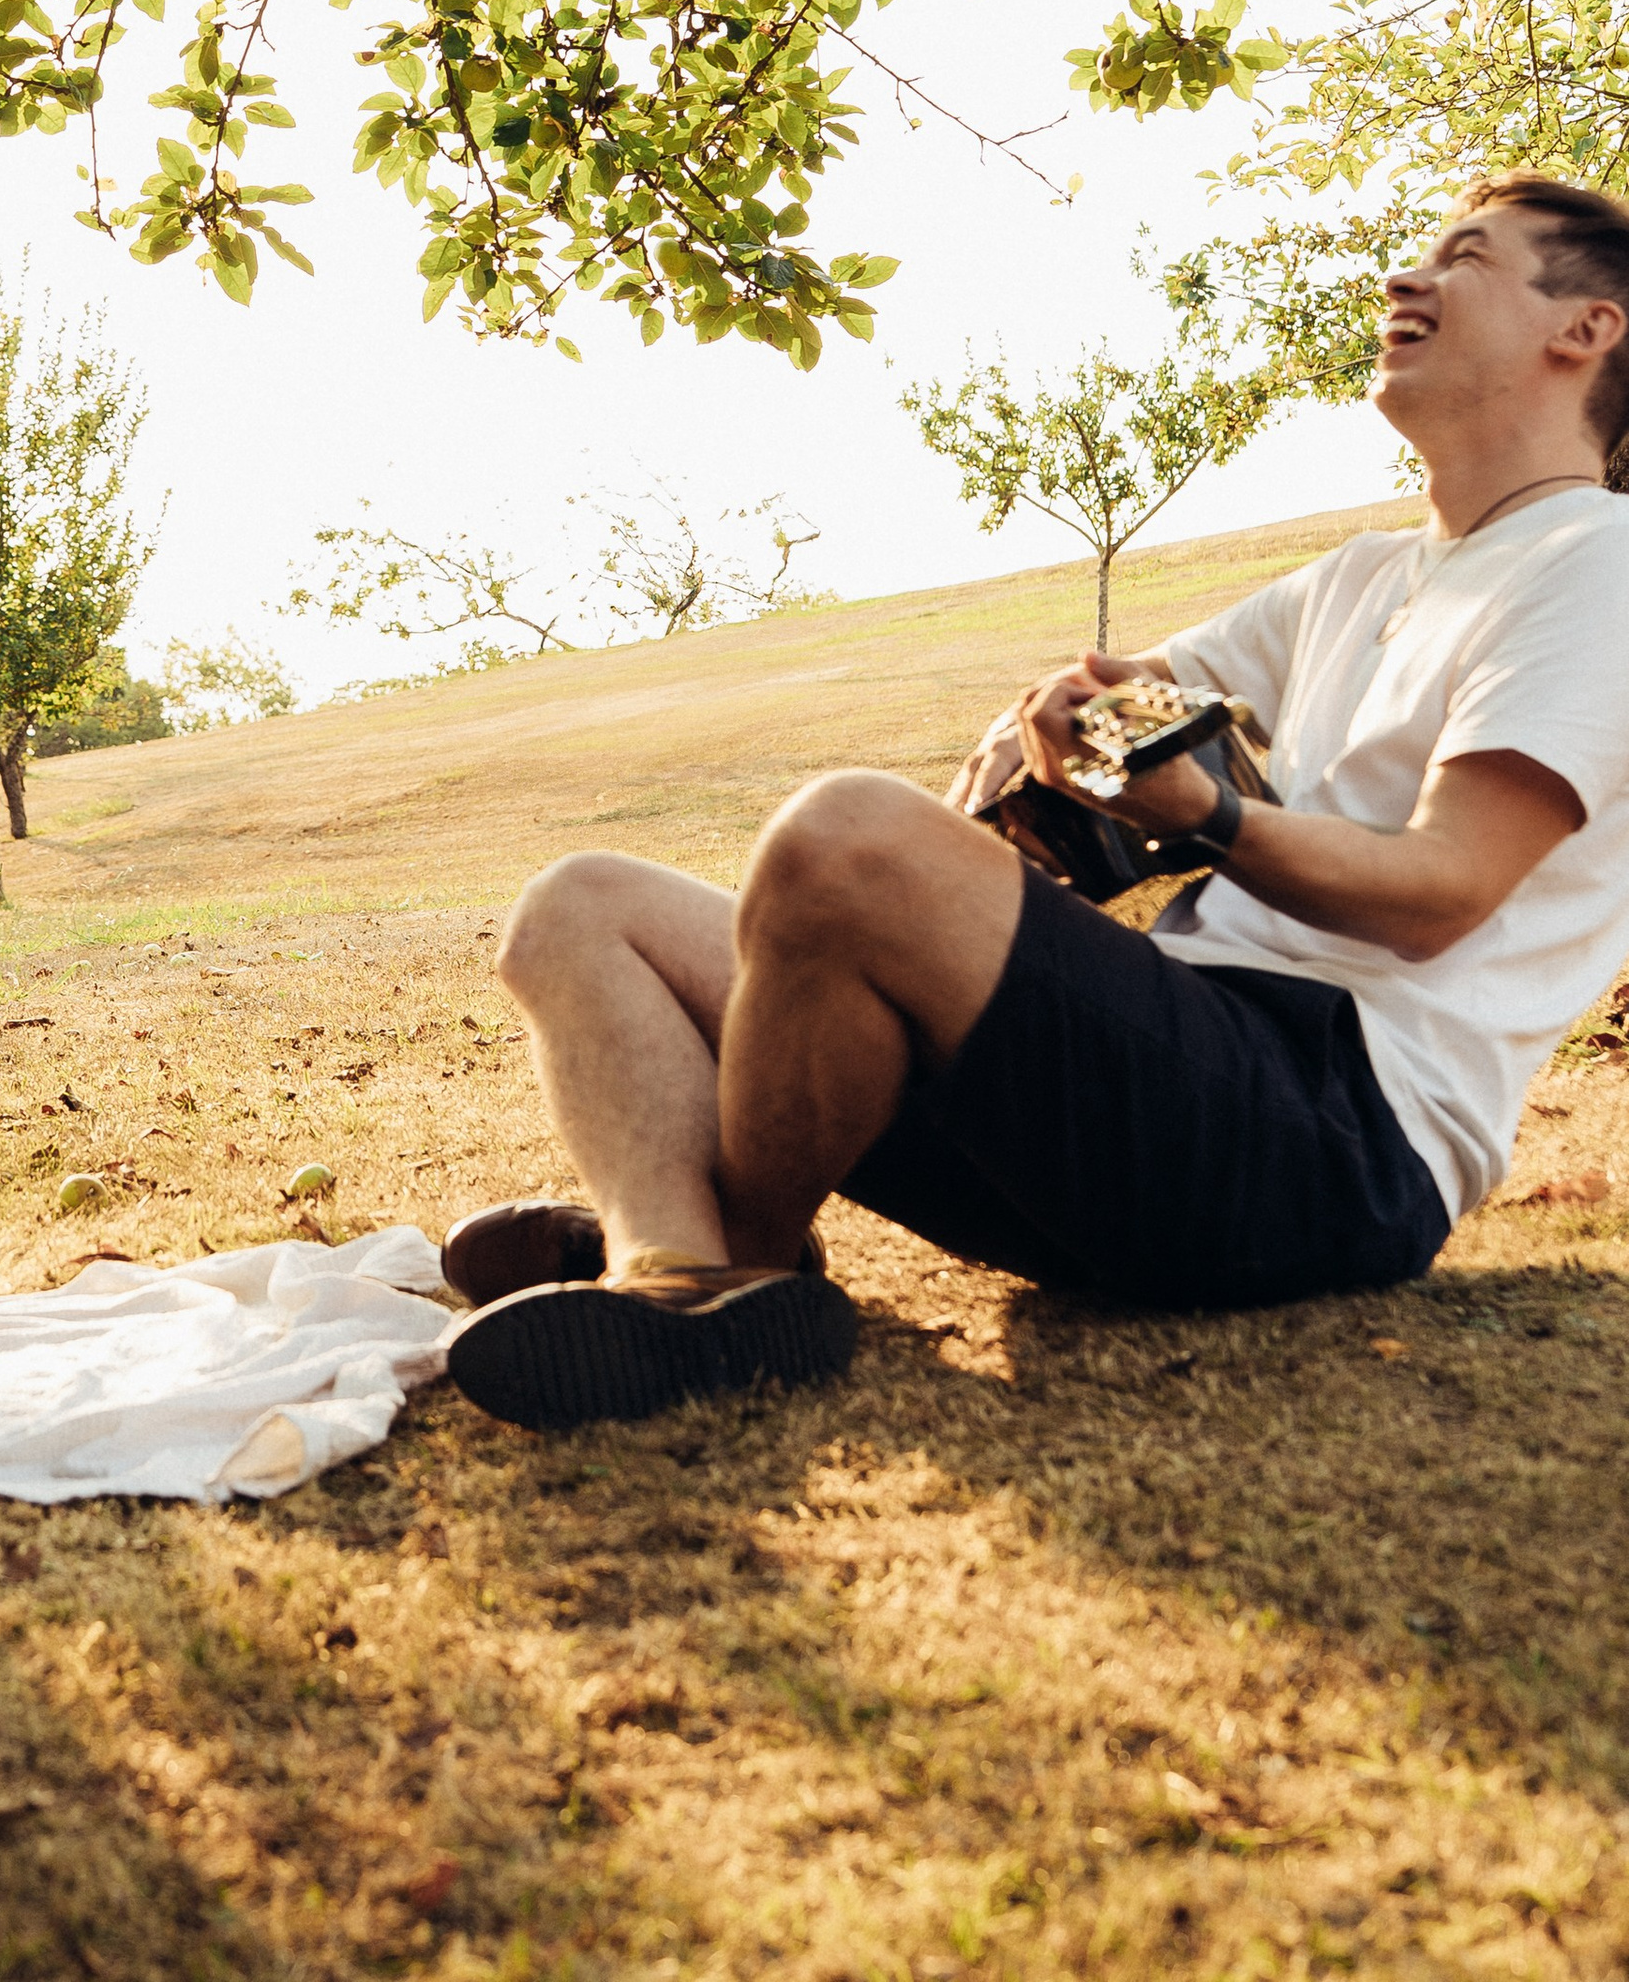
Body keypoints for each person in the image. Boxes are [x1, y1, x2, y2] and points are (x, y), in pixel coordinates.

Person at [440, 173, 1629, 1432]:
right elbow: (1130, 697)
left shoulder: (1593, 567)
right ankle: (683, 1279)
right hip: (1160, 1083)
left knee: (842, 839)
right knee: (578, 909)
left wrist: (1203, 818)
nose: (1405, 278)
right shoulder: (1369, 574)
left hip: (1330, 1139)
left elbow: (1442, 892)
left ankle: (719, 1234)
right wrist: (1044, 745)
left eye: (1463, 258)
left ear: (1585, 329)